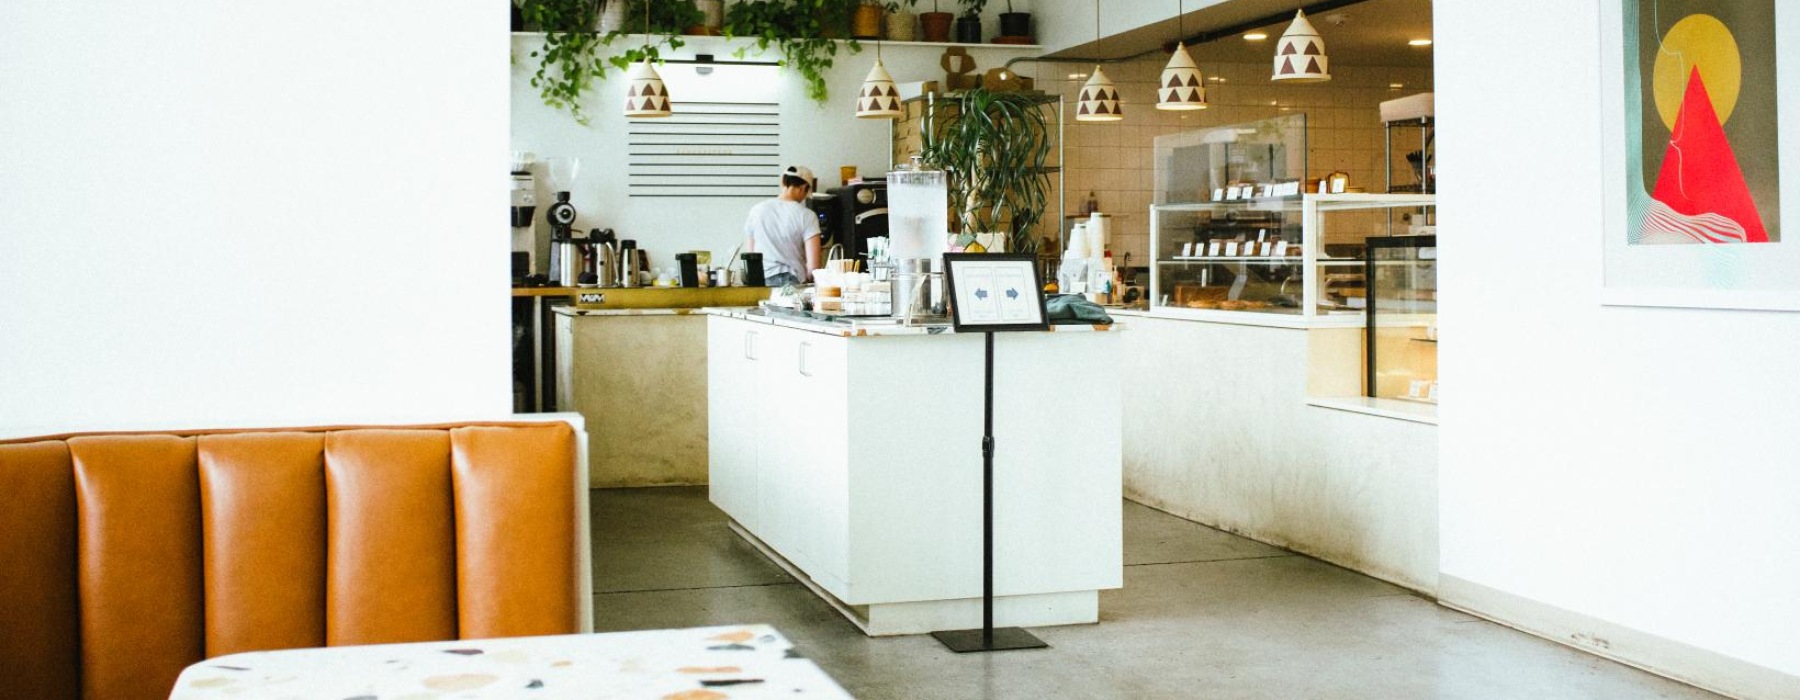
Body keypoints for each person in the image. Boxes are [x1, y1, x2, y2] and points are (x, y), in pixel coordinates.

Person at [744, 165, 821, 287]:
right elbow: (814, 268)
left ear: (782, 182)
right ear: (803, 188)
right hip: (792, 281)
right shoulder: (807, 216)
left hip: (761, 281)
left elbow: (750, 255)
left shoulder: (756, 210)